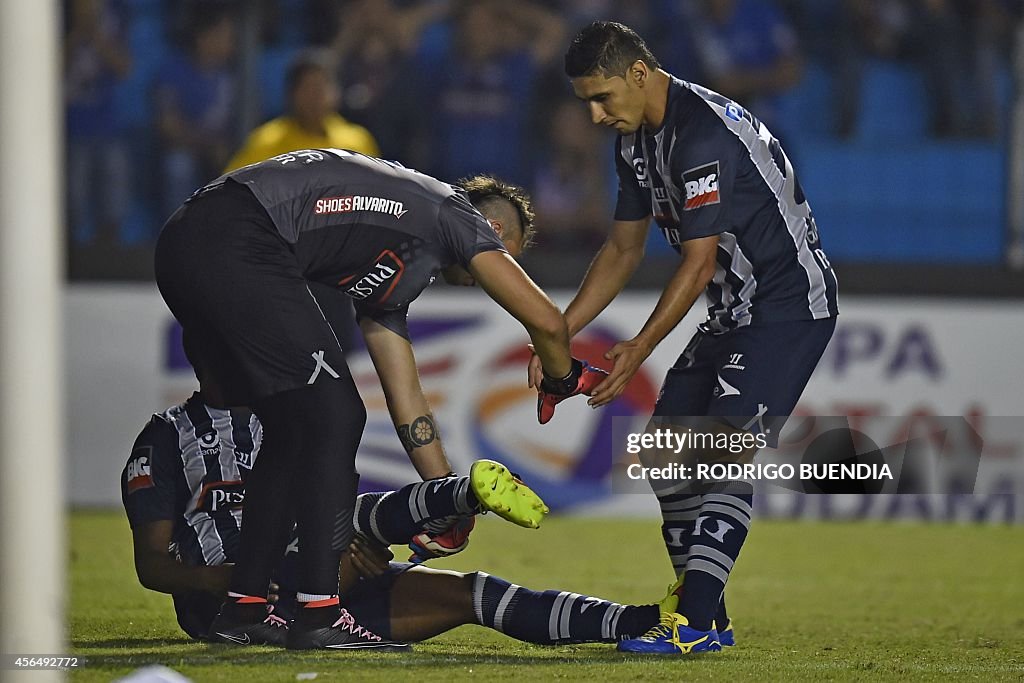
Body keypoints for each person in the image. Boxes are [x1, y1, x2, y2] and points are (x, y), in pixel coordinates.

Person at [153, 150, 606, 650]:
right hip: (238, 236)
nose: (495, 274)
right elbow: (546, 321)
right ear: (494, 231)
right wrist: (564, 377)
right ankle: (319, 613)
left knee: (294, 427)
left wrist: (448, 501)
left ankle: (244, 609)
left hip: (190, 240)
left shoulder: (394, 259)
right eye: (508, 257)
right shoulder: (456, 215)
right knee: (335, 413)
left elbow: (406, 399)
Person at [539, 21, 838, 655]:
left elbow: (698, 261)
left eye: (602, 98)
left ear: (639, 73)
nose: (595, 115)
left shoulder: (700, 133)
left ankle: (694, 621)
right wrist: (556, 334)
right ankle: (709, 620)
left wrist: (638, 348)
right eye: (586, 102)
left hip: (787, 306)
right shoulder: (636, 138)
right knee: (666, 460)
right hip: (735, 313)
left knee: (726, 451)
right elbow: (622, 248)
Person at [121, 394, 659, 646]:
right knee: (349, 520)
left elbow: (322, 509)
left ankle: (642, 621)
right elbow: (153, 567)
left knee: (475, 592)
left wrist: (341, 553)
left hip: (317, 586)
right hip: (233, 603)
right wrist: (234, 582)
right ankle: (461, 494)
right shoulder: (166, 435)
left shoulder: (292, 419)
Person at [224, 49, 380, 172]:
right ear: (291, 94)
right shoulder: (267, 142)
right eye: (307, 88)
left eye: (320, 89)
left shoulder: (357, 142)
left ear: (336, 92)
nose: (314, 97)